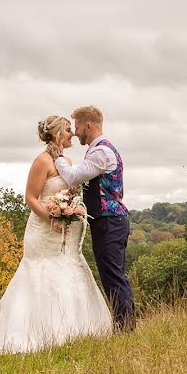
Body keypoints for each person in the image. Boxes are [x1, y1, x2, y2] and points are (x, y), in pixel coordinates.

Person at [0, 115, 113, 354]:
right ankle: (34, 331)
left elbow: (71, 192)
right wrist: (52, 218)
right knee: (41, 275)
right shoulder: (41, 161)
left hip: (65, 235)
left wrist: (73, 209)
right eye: (68, 130)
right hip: (44, 231)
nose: (73, 134)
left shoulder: (65, 160)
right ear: (58, 132)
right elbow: (30, 198)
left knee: (69, 269)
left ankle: (74, 331)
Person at [48, 105, 136, 332]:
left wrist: (58, 158)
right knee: (111, 274)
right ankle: (124, 325)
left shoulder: (101, 152)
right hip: (107, 220)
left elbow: (73, 177)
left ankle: (124, 327)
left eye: (76, 127)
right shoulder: (98, 151)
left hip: (110, 221)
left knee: (113, 276)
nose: (75, 133)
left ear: (88, 125)